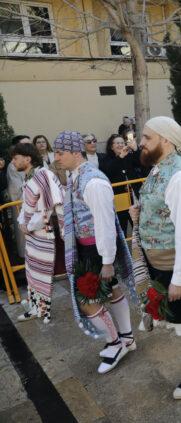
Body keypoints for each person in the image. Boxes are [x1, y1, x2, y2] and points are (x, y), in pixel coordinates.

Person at [127, 116, 181, 399]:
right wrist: (140, 212)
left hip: (177, 262)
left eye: (147, 137)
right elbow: (163, 207)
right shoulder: (160, 167)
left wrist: (180, 278)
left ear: (165, 140)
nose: (141, 142)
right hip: (162, 259)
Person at [54, 130, 136, 374]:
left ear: (75, 152)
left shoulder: (93, 181)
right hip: (89, 246)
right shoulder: (78, 176)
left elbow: (105, 223)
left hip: (95, 248)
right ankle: (127, 338)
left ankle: (115, 344)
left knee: (87, 299)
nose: (57, 158)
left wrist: (108, 261)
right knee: (110, 291)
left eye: (60, 153)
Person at [11, 143, 64, 323]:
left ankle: (42, 309)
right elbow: (27, 206)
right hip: (33, 232)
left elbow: (49, 208)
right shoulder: (30, 177)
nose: (13, 161)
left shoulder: (43, 175)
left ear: (28, 159)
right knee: (31, 271)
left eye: (15, 158)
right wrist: (22, 222)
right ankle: (36, 307)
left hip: (42, 232)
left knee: (41, 273)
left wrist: (29, 225)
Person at [100, 134, 141, 235]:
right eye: (117, 143)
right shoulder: (105, 159)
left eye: (122, 143)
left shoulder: (129, 156)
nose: (120, 145)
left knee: (139, 225)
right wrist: (120, 157)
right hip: (119, 197)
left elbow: (141, 163)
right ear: (111, 146)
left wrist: (136, 150)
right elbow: (109, 170)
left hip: (134, 195)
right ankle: (124, 249)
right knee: (122, 226)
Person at [7, 135, 32, 259]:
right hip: (23, 208)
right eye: (25, 144)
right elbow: (15, 192)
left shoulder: (36, 161)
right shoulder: (13, 166)